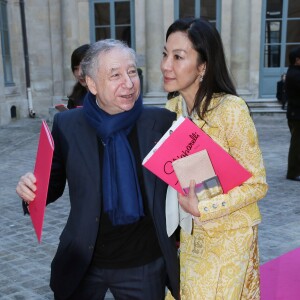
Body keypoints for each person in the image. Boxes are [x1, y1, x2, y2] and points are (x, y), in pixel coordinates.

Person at [16, 39, 179, 300]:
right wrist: (29, 189)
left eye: (132, 71)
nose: (128, 83)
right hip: (84, 261)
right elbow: (50, 187)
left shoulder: (161, 123)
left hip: (143, 264)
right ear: (91, 84)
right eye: (115, 75)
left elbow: (187, 187)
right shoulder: (67, 125)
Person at [160, 18, 268, 300]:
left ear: (203, 66)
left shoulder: (231, 110)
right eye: (165, 54)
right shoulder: (171, 108)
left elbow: (257, 185)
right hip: (187, 237)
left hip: (229, 239)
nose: (165, 65)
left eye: (178, 57)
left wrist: (205, 208)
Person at [285, 46, 300, 181]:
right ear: (297, 60)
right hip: (297, 115)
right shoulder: (295, 74)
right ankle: (293, 172)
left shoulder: (294, 72)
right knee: (296, 145)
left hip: (295, 114)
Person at [67, 44, 90, 109]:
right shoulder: (74, 98)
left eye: (84, 67)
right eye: (76, 68)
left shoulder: (106, 96)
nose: (80, 73)